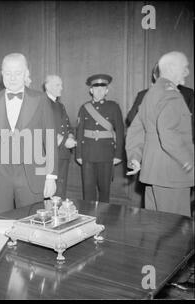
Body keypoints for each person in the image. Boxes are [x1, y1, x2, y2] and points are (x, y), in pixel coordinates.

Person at [0, 53, 58, 214]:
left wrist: (51, 177)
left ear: (26, 73)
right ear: (2, 74)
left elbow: (50, 140)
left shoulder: (41, 99)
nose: (12, 78)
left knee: (32, 227)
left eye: (17, 73)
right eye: (8, 73)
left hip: (32, 176)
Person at [126, 51, 194, 217]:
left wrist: (135, 156)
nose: (186, 72)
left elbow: (136, 129)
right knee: (175, 232)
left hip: (153, 173)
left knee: (156, 227)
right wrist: (189, 163)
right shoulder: (171, 95)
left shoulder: (150, 95)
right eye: (183, 68)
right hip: (173, 174)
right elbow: (169, 134)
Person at [75, 74, 124, 203]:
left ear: (107, 91)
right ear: (91, 90)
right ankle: (88, 217)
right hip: (88, 154)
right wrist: (78, 154)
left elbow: (120, 131)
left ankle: (104, 218)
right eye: (96, 89)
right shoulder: (84, 108)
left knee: (105, 190)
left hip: (106, 154)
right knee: (88, 190)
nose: (99, 91)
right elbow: (79, 132)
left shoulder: (114, 107)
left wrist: (118, 154)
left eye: (102, 89)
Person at [44, 75, 76, 199]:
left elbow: (67, 126)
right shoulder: (43, 103)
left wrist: (71, 136)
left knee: (60, 190)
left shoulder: (60, 105)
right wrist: (64, 141)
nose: (61, 88)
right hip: (50, 154)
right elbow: (44, 129)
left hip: (63, 153)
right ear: (47, 86)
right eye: (58, 85)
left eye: (61, 85)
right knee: (49, 192)